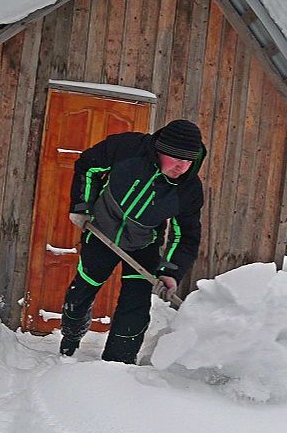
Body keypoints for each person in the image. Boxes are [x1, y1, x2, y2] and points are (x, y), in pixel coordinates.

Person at [59, 119, 206, 364]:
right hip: (101, 234)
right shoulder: (127, 148)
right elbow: (88, 166)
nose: (182, 166)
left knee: (135, 307)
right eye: (176, 158)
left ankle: (117, 366)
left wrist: (171, 272)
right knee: (82, 291)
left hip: (143, 245)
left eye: (188, 160)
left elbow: (186, 236)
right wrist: (82, 206)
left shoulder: (188, 189)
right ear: (160, 150)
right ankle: (70, 338)